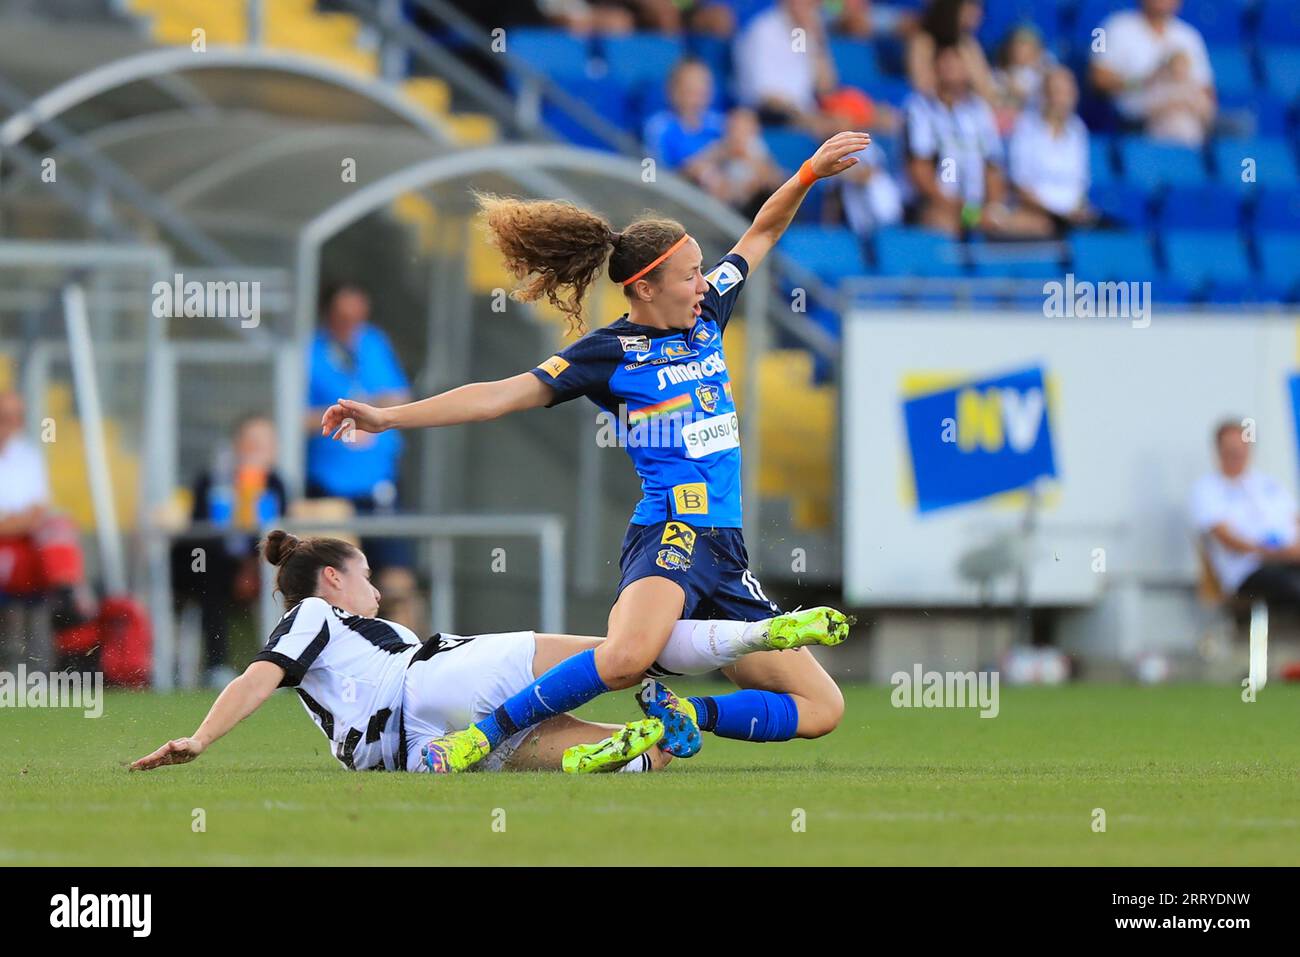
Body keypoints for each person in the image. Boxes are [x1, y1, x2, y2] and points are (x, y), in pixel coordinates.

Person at [320, 130, 869, 772]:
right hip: (673, 530)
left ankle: (690, 713)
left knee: (823, 708)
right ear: (644, 288)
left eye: (700, 272)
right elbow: (498, 396)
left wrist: (805, 174)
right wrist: (386, 416)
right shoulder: (606, 354)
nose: (703, 283)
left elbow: (760, 234)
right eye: (690, 275)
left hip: (728, 549)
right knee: (625, 657)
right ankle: (481, 737)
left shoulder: (707, 311)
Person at [129, 532, 853, 775]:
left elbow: (274, 680)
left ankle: (667, 725)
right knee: (627, 653)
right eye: (366, 576)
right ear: (332, 578)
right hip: (434, 679)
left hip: (416, 752)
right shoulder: (314, 612)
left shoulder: (335, 641)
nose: (374, 589)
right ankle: (753, 631)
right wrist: (201, 735)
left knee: (644, 757)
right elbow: (260, 676)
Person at [173, 413, 288, 687]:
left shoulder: (276, 484)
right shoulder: (211, 480)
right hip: (212, 565)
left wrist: (251, 565)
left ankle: (281, 667)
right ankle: (217, 666)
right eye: (252, 443)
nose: (257, 451)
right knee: (209, 578)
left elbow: (279, 532)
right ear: (237, 445)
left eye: (265, 444)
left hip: (261, 566)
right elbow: (199, 531)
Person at [305, 281, 412, 571]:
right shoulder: (310, 351)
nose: (352, 325)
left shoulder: (374, 342)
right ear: (328, 314)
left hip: (380, 481)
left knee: (395, 573)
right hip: (330, 484)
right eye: (344, 318)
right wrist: (353, 412)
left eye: (358, 317)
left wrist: (356, 406)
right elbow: (298, 418)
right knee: (340, 574)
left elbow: (400, 397)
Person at [902, 44, 1051, 237]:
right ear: (935, 68)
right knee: (942, 226)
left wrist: (993, 208)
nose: (951, 70)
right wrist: (964, 211)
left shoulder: (979, 109)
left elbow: (992, 166)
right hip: (936, 206)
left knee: (1038, 225)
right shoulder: (919, 109)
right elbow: (920, 171)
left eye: (957, 63)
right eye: (946, 63)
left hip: (976, 208)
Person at [1191, 421, 1300, 610]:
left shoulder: (1267, 483)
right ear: (1219, 450)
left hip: (1288, 560)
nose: (1237, 454)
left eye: (1241, 448)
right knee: (1293, 585)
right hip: (1248, 571)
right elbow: (1227, 539)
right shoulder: (1207, 489)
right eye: (1231, 448)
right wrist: (1276, 553)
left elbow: (1295, 519)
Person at [1089, 0, 1214, 140]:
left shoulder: (1189, 36)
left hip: (1186, 114)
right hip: (1136, 118)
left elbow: (1206, 88)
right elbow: (1098, 79)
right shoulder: (1115, 27)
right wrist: (1143, 82)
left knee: (1238, 128)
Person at [1007, 67, 1096, 235]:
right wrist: (1056, 214)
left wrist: (1075, 211)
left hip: (1073, 216)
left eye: (1067, 93)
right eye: (1056, 92)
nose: (1061, 100)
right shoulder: (1025, 127)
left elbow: (1081, 183)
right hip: (1039, 214)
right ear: (1044, 95)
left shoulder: (1078, 130)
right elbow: (1021, 186)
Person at [643, 59, 728, 173]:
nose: (697, 101)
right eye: (690, 92)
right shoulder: (658, 127)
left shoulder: (721, 124)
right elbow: (653, 176)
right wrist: (711, 157)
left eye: (702, 92)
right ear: (672, 92)